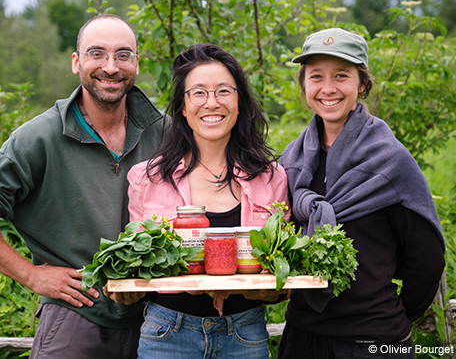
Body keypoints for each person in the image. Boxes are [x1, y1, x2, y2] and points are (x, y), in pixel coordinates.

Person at [0, 14, 168, 359]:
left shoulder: (164, 132)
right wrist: (30, 275)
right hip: (77, 317)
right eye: (97, 54)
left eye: (123, 55)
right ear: (76, 62)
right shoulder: (41, 136)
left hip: (157, 319)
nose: (111, 66)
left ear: (137, 63)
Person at [277, 28, 445, 358]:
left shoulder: (389, 160)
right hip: (302, 337)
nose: (328, 88)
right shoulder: (291, 160)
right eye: (316, 77)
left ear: (362, 84)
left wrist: (391, 318)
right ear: (304, 85)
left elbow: (426, 259)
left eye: (341, 75)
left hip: (373, 339)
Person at [123, 43, 290, 359]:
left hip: (244, 333)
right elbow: (138, 265)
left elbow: (280, 272)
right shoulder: (146, 178)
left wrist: (273, 288)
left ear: (239, 102)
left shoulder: (272, 177)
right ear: (183, 108)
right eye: (198, 93)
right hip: (166, 334)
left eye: (224, 91)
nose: (211, 103)